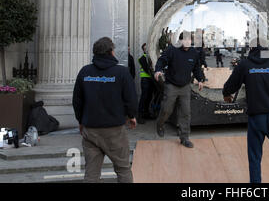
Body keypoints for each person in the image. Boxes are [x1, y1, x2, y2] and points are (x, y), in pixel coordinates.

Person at [222, 43, 269, 183]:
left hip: (257, 117)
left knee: (255, 158)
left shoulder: (245, 64)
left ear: (251, 49)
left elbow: (231, 85)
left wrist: (226, 94)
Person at [72, 37, 138, 183]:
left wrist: (81, 120)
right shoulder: (122, 72)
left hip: (90, 129)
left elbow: (77, 100)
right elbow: (131, 99)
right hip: (114, 131)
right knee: (123, 169)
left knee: (91, 173)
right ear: (111, 52)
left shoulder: (85, 72)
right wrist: (132, 115)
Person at [154, 32, 205, 148]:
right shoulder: (172, 50)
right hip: (171, 85)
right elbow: (162, 60)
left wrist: (200, 79)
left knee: (185, 113)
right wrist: (158, 70)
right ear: (180, 40)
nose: (187, 42)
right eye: (184, 40)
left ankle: (184, 138)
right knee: (167, 109)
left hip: (185, 86)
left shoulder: (193, 53)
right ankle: (160, 124)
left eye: (189, 40)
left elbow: (196, 68)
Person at [137, 43, 156, 124]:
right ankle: (140, 115)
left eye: (147, 48)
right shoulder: (142, 59)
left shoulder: (151, 57)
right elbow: (148, 70)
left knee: (149, 97)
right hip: (145, 79)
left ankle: (146, 113)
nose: (146, 49)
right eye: (145, 48)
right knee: (144, 97)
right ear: (143, 50)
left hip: (151, 80)